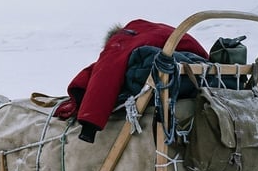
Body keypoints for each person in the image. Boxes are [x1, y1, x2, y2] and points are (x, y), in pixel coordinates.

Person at [55, 19, 208, 142]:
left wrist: (89, 125)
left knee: (116, 70)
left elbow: (105, 75)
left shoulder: (122, 41)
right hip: (200, 73)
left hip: (167, 72)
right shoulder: (153, 30)